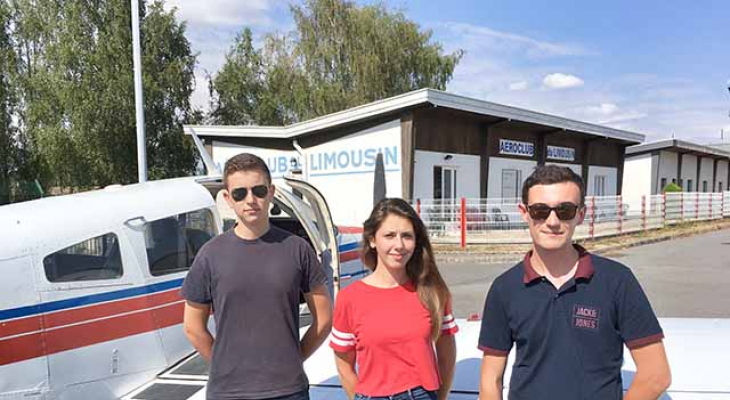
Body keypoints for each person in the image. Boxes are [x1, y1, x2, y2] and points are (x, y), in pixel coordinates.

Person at [478, 165, 671, 400]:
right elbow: (490, 381)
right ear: (524, 212)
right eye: (540, 210)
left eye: (565, 210)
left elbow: (656, 374)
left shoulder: (617, 281)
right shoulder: (504, 288)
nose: (552, 221)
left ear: (581, 214)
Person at [181, 153, 332, 400]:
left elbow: (324, 320)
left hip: (289, 391)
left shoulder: (298, 249)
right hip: (228, 393)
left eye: (259, 190)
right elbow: (193, 328)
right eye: (240, 193)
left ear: (271, 192)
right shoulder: (209, 255)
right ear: (228, 199)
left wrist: (293, 360)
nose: (250, 200)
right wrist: (226, 367)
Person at [330, 198, 457, 400]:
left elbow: (446, 356)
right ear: (372, 240)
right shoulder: (349, 299)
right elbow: (344, 364)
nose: (399, 245)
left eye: (406, 236)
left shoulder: (433, 292)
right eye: (389, 235)